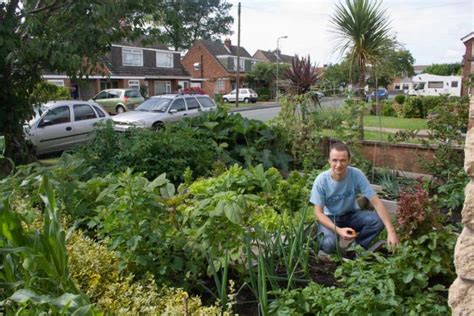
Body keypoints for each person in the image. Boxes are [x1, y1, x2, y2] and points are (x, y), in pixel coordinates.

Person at [310, 142, 399, 254]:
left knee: (377, 221)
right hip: (330, 218)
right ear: (329, 160)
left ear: (349, 160)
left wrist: (391, 231)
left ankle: (356, 249)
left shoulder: (356, 175)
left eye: (343, 160)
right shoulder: (321, 181)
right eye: (335, 160)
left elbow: (376, 202)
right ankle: (330, 248)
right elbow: (318, 213)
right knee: (328, 245)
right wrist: (339, 231)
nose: (338, 164)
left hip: (351, 215)